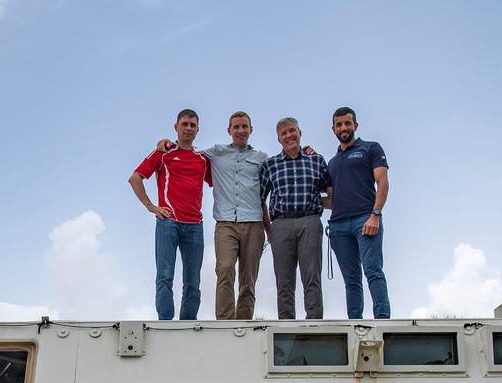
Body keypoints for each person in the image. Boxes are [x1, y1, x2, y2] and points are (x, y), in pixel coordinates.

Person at [158, 112, 268, 320]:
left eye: (244, 127)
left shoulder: (262, 158)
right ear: (229, 131)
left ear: (251, 130)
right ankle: (225, 323)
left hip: (253, 222)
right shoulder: (215, 153)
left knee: (248, 278)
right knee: (225, 270)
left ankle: (243, 323)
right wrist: (167, 143)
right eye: (236, 127)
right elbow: (187, 150)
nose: (240, 131)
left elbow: (268, 189)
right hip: (226, 223)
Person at [128, 109, 211, 320]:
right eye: (184, 124)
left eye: (192, 125)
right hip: (168, 222)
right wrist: (151, 206)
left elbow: (220, 181)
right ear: (176, 127)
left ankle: (188, 325)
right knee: (165, 276)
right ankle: (165, 324)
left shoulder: (202, 159)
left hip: (195, 225)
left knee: (193, 280)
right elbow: (135, 178)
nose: (188, 128)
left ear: (198, 130)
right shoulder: (163, 153)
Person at [260, 117, 330, 319]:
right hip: (280, 224)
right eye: (284, 133)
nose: (289, 135)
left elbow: (331, 194)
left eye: (292, 131)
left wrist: (317, 202)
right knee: (284, 281)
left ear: (300, 133)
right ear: (278, 139)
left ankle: (315, 322)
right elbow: (260, 200)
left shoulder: (316, 160)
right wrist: (269, 230)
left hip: (309, 221)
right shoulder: (270, 165)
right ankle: (286, 325)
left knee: (312, 276)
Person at [326, 106, 390, 319]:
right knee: (351, 280)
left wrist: (376, 214)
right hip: (338, 226)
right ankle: (355, 323)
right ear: (333, 129)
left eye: (347, 123)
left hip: (366, 219)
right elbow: (331, 199)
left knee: (373, 271)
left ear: (355, 125)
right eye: (339, 124)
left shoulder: (370, 149)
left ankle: (382, 319)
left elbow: (382, 182)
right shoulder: (332, 163)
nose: (343, 127)